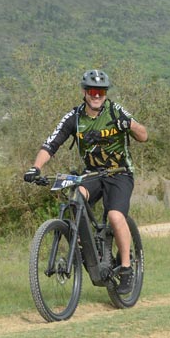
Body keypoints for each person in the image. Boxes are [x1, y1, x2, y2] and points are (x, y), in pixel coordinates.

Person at [23, 69, 148, 294]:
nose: (96, 95)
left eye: (101, 92)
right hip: (92, 174)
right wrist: (36, 168)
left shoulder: (115, 111)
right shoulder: (74, 117)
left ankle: (126, 268)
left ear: (105, 93)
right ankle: (86, 245)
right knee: (76, 197)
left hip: (120, 173)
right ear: (84, 92)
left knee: (115, 215)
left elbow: (143, 135)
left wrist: (129, 125)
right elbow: (51, 144)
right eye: (92, 91)